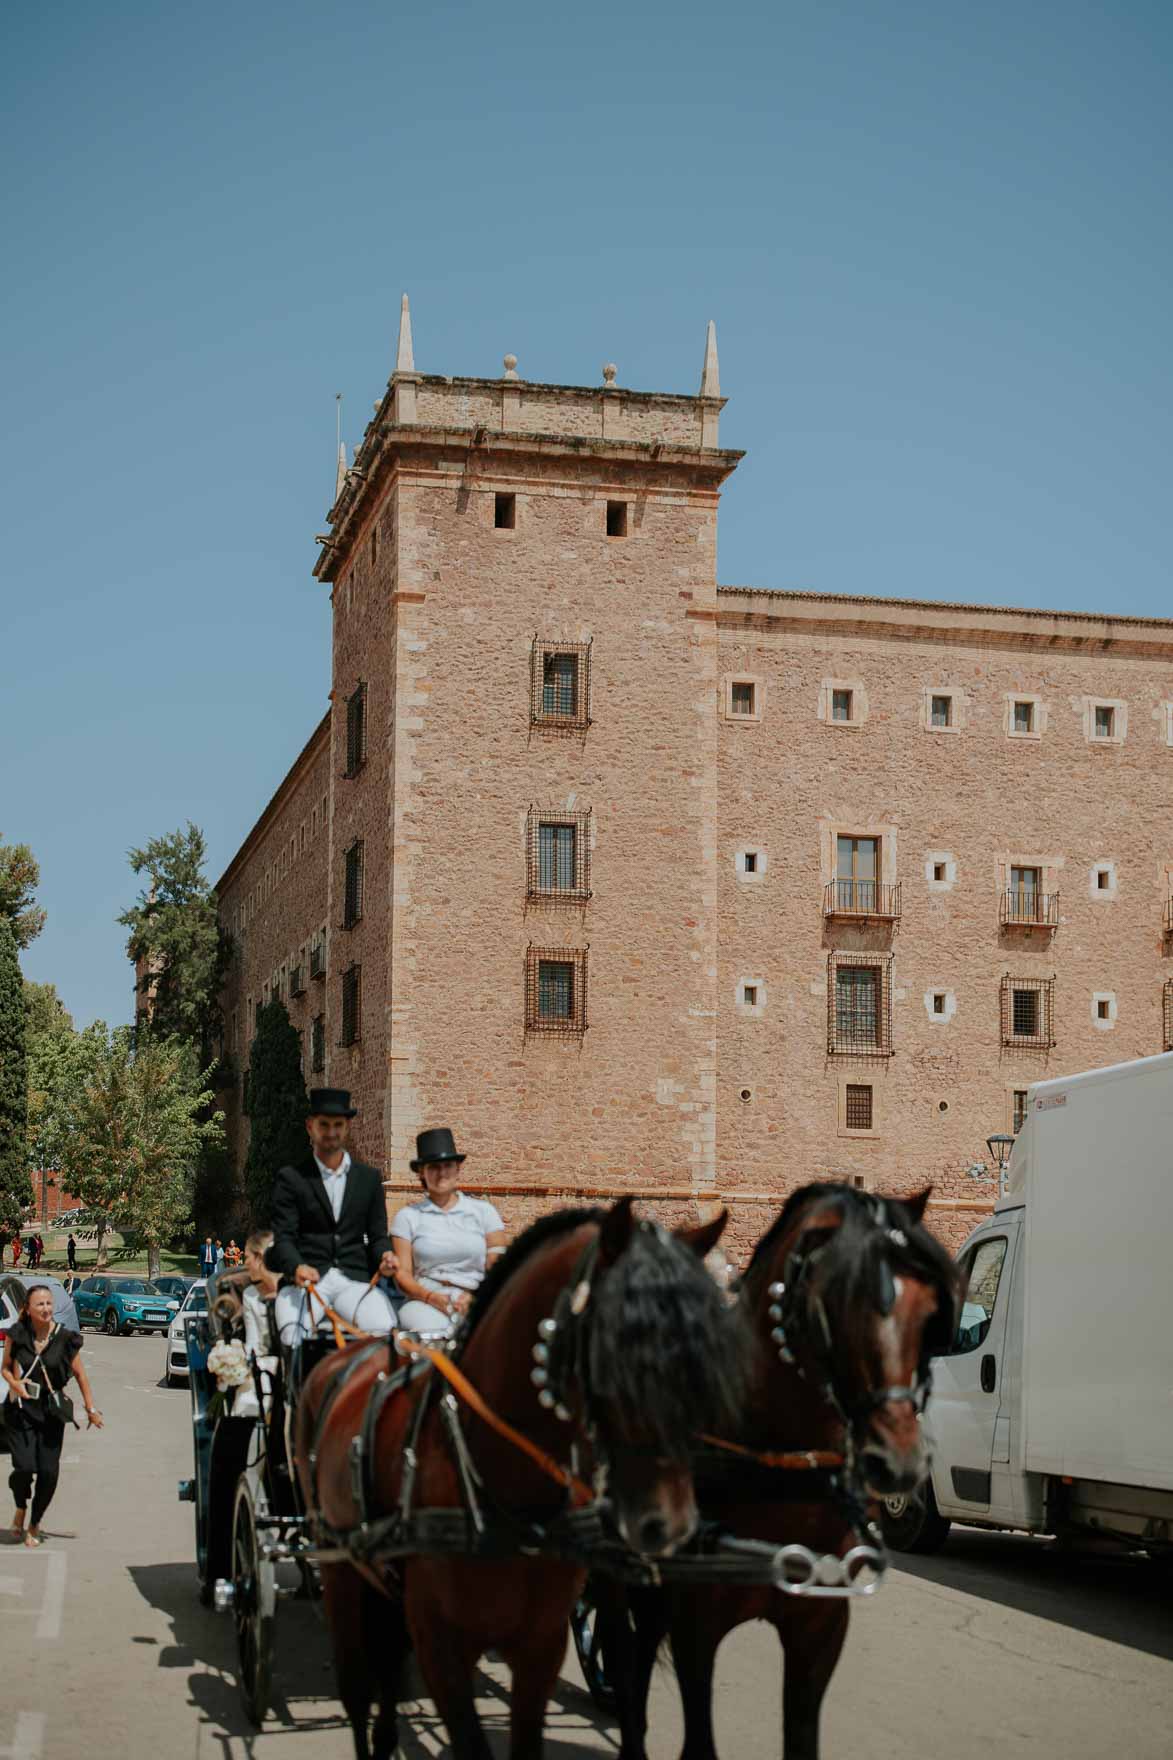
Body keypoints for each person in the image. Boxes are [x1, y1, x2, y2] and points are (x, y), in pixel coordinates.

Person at [269, 1088, 399, 1346]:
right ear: (310, 1126)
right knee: (292, 1335)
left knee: (384, 1327)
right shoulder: (291, 1178)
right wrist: (296, 1267)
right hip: (307, 1282)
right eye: (324, 1124)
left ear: (347, 1126)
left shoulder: (369, 1179)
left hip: (354, 1279)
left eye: (337, 1125)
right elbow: (284, 1238)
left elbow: (377, 1237)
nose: (331, 1132)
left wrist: (385, 1256)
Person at [2, 1285, 103, 1546]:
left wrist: (91, 1409)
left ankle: (34, 1522)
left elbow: (80, 1375)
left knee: (48, 1472)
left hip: (51, 1412)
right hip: (21, 1410)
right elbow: (5, 1369)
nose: (46, 1309)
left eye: (49, 1303)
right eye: (40, 1304)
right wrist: (15, 1384)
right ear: (28, 1308)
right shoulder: (17, 1334)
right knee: (23, 1467)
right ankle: (20, 1507)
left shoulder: (66, 1339)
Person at [391, 1128, 506, 1337]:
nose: (442, 1173)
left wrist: (476, 1298)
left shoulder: (484, 1212)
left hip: (476, 1298)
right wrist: (432, 1297)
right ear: (422, 1172)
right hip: (425, 1300)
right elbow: (403, 1275)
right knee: (435, 1335)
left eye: (448, 1166)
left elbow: (498, 1266)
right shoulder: (408, 1217)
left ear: (457, 1169)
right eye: (434, 1167)